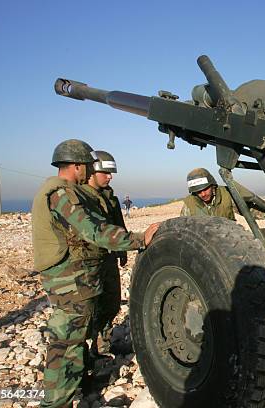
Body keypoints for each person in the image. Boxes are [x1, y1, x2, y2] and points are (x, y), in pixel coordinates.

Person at [31, 139, 160, 408]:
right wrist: (139, 239)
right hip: (70, 280)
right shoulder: (63, 194)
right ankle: (57, 402)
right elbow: (93, 230)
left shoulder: (63, 190)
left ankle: (80, 382)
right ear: (77, 165)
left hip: (74, 278)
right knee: (66, 344)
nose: (90, 171)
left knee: (76, 336)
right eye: (87, 166)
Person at [78, 151, 127, 357]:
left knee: (111, 303)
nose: (110, 177)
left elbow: (118, 224)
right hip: (89, 261)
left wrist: (122, 250)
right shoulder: (81, 197)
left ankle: (104, 343)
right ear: (92, 172)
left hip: (108, 258)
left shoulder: (110, 197)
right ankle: (88, 352)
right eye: (106, 172)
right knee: (90, 309)